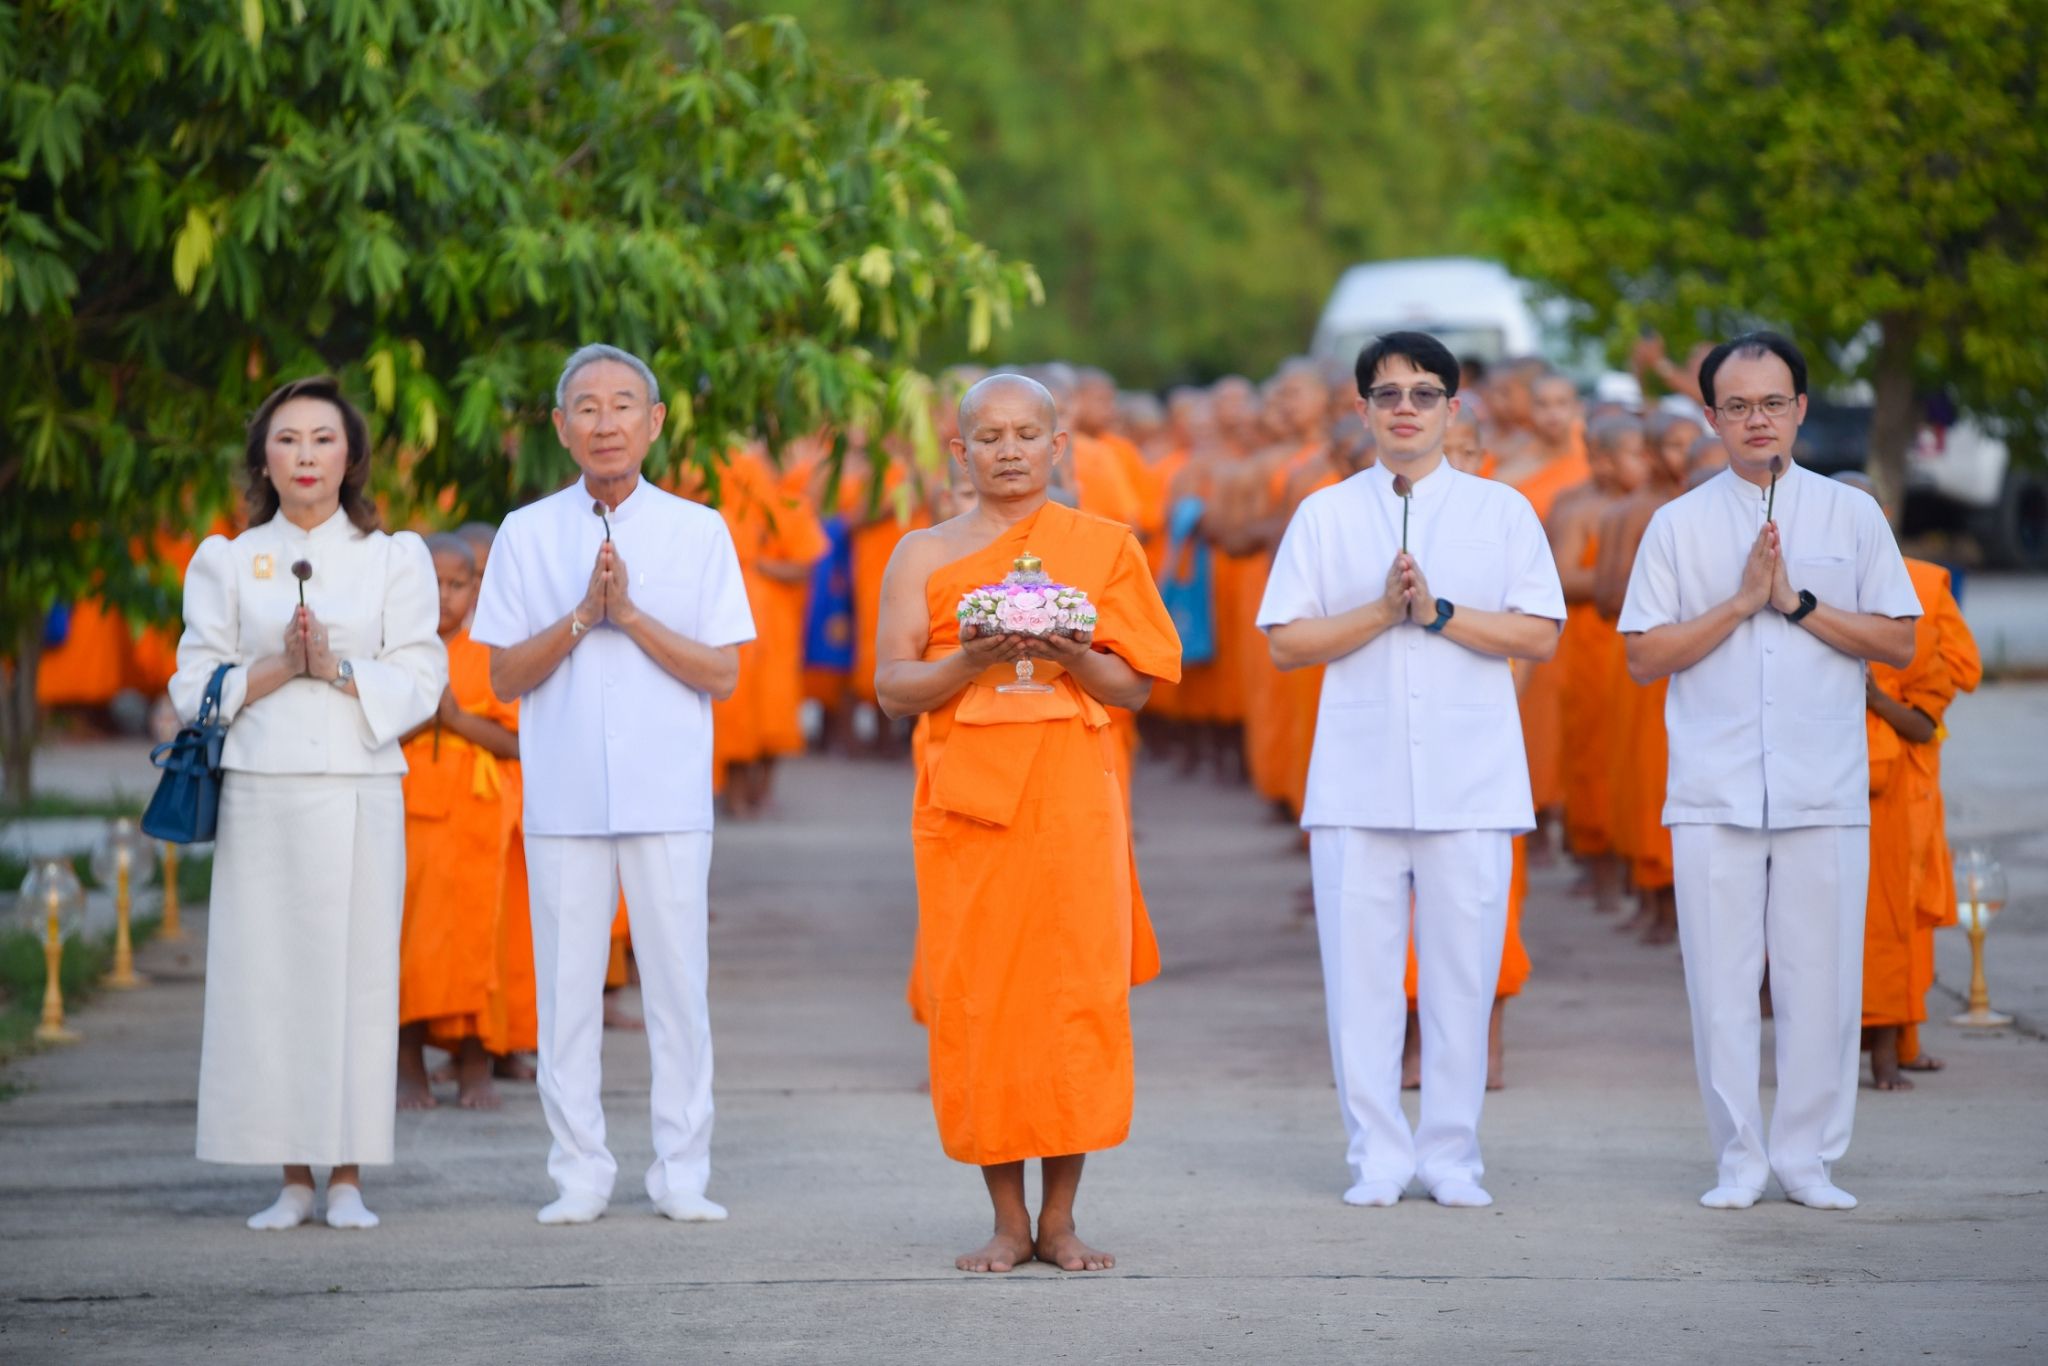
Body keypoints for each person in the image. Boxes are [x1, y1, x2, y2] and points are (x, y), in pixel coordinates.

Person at [875, 373, 1180, 1273]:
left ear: (1059, 449)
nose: (1009, 451)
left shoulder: (1101, 546)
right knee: (984, 1002)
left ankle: (1061, 1219)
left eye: (1026, 435)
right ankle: (1007, 1221)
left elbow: (1133, 687)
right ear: (960, 453)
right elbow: (893, 689)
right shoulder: (921, 555)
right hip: (967, 806)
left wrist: (1073, 653)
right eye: (989, 436)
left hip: (1073, 800)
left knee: (1073, 995)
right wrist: (968, 661)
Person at [1260, 332, 1564, 1209]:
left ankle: (1452, 1155)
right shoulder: (1324, 514)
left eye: (1424, 394)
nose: (1405, 408)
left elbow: (1537, 633)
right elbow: (1286, 643)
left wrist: (1437, 614)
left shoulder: (1502, 512)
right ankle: (1378, 1156)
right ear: (1361, 410)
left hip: (1471, 781)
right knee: (1361, 981)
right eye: (1388, 394)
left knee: (1461, 978)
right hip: (1357, 782)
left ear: (1452, 410)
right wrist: (1378, 612)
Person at [1618, 332, 1919, 1211]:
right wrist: (1743, 603)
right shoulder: (1678, 524)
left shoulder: (1850, 517)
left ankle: (1809, 1159)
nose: (1758, 420)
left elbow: (1898, 639)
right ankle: (1739, 1160)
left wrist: (1797, 605)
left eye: (1774, 402)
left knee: (1820, 980)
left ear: (1801, 409)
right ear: (1709, 416)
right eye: (1739, 406)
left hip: (1823, 783)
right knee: (1719, 985)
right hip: (1712, 789)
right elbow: (1644, 655)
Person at [471, 343, 755, 1226]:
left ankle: (682, 1171)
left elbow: (721, 673)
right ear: (560, 428)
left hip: (666, 794)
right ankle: (579, 1172)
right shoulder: (526, 531)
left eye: (623, 405)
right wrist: (580, 618)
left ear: (655, 422)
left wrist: (627, 616)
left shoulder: (698, 529)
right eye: (586, 408)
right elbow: (504, 678)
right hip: (563, 796)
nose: (605, 423)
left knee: (677, 987)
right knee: (565, 992)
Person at [172, 376, 446, 1231]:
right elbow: (192, 686)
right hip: (263, 792)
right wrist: (278, 669)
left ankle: (351, 1178)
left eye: (323, 440)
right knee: (272, 983)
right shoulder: (226, 557)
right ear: (263, 456)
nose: (305, 456)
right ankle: (293, 1177)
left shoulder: (395, 557)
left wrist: (336, 668)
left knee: (358, 982)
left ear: (351, 458)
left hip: (361, 788)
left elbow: (423, 676)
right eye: (287, 440)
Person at [396, 534, 523, 1111]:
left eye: (457, 584)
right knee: (409, 941)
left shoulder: (492, 650)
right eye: (434, 583)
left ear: (477, 587)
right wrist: (421, 720)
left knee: (479, 940)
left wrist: (454, 719)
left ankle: (477, 1065)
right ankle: (407, 1067)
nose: (444, 596)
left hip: (478, 817)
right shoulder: (397, 648)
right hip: (409, 813)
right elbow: (372, 726)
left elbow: (515, 741)